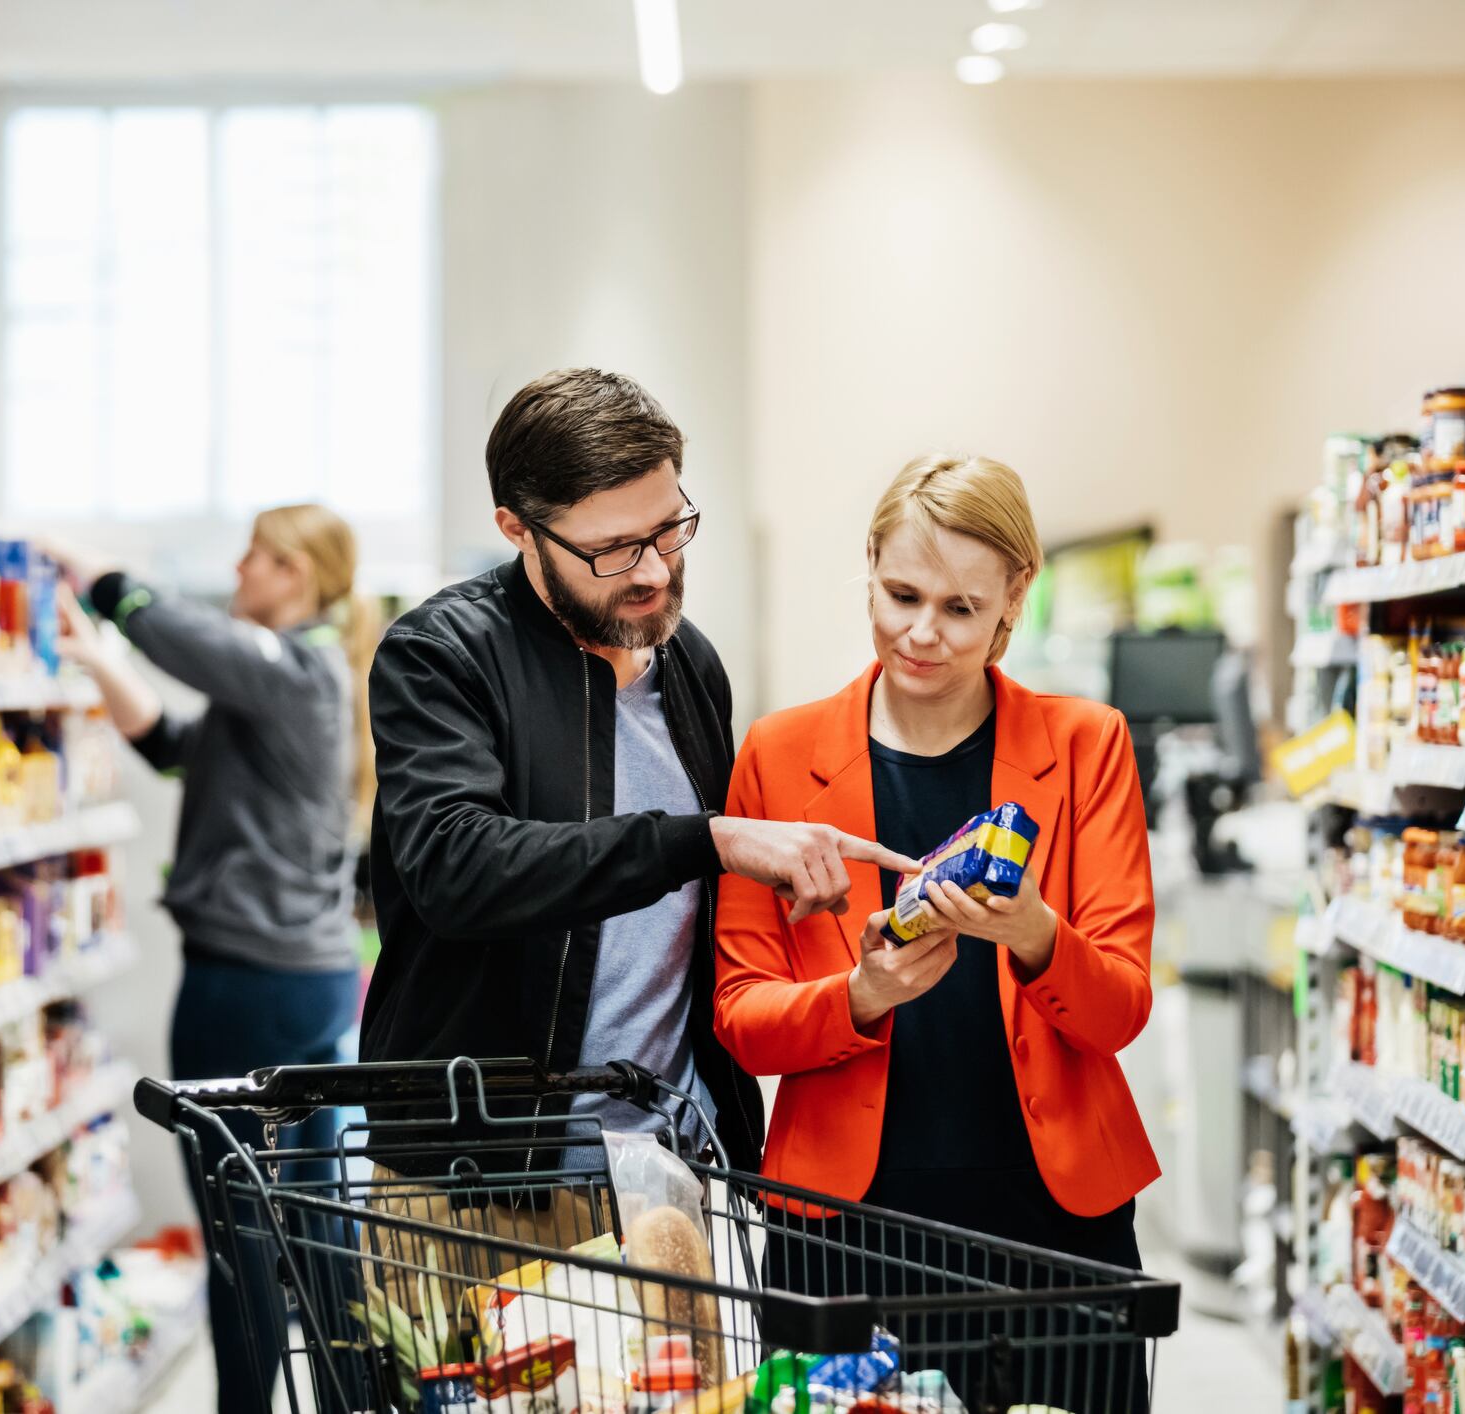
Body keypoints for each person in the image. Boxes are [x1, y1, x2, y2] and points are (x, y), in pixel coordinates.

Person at [363, 367, 918, 1213]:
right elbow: (456, 867)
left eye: (670, 530)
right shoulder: (443, 655)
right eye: (614, 549)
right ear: (518, 528)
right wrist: (708, 838)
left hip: (664, 1167)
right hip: (481, 1183)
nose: (655, 571)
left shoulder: (690, 665)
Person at [712, 454, 1159, 1412]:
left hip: (1052, 1220)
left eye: (960, 608)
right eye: (900, 593)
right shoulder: (779, 757)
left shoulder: (1087, 745)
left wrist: (1037, 933)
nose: (921, 634)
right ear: (868, 564)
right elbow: (741, 1016)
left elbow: (1119, 1011)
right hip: (843, 1224)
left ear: (1013, 602)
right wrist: (861, 996)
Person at [49, 504, 376, 1414]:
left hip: (248, 985)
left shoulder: (295, 665)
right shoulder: (298, 683)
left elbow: (188, 645)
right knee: (313, 1226)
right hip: (305, 983)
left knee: (239, 1234)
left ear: (301, 576)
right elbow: (176, 747)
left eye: (261, 557)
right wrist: (103, 662)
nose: (240, 570)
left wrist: (104, 576)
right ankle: (352, 1399)